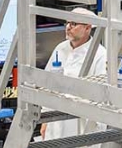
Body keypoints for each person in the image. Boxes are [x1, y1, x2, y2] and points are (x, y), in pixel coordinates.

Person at [40, 8, 107, 141]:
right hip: (56, 120)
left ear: (87, 28)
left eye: (74, 24)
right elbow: (48, 85)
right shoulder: (60, 48)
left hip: (82, 123)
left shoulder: (100, 55)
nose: (68, 27)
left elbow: (101, 97)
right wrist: (45, 119)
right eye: (67, 23)